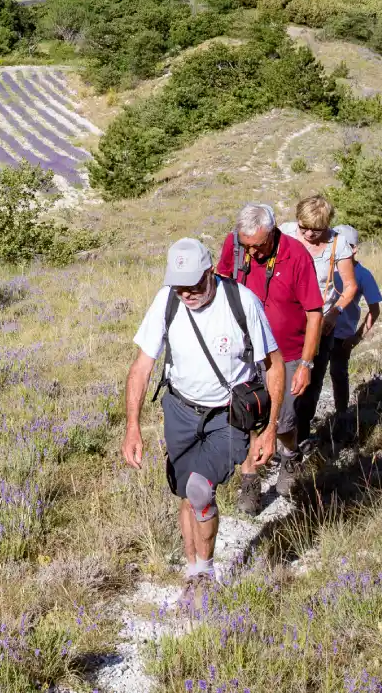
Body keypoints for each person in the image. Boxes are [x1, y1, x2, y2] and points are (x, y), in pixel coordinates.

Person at [122, 237, 284, 586]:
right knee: (185, 493)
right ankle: (192, 568)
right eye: (180, 288)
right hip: (180, 409)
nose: (188, 294)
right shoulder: (167, 302)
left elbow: (273, 364)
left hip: (228, 415)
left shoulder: (242, 302)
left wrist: (270, 429)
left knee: (200, 490)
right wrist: (132, 427)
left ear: (211, 271)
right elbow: (141, 367)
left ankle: (206, 573)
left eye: (195, 285)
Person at [217, 203, 324, 512]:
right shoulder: (235, 246)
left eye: (258, 246)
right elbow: (220, 285)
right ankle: (250, 482)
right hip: (244, 352)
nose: (251, 253)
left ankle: (289, 457)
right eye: (245, 245)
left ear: (273, 232)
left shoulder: (296, 255)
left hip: (288, 353)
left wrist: (305, 364)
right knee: (244, 417)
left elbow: (314, 314)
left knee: (283, 422)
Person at [280, 194, 359, 438]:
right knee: (280, 379)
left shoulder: (338, 243)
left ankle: (301, 435)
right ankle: (281, 433)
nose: (308, 235)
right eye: (303, 228)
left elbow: (350, 286)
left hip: (321, 323)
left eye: (316, 230)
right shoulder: (284, 234)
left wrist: (335, 313)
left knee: (312, 383)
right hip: (286, 321)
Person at [315, 254, 382, 425]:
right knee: (313, 377)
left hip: (342, 336)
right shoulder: (324, 268)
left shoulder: (363, 274)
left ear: (354, 249)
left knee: (338, 375)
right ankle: (302, 422)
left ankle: (341, 417)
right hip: (317, 332)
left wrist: (357, 336)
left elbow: (374, 309)